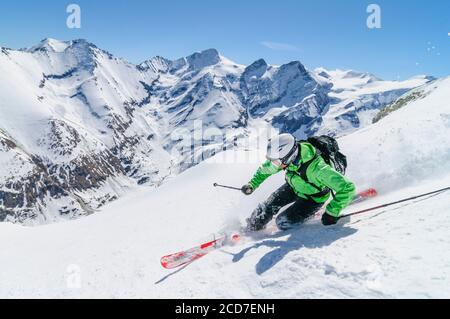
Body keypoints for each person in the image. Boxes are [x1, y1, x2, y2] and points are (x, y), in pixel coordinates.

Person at [242, 134, 356, 231]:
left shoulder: (318, 169)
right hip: (293, 186)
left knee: (282, 222)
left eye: (276, 162)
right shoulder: (285, 159)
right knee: (266, 208)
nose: (274, 164)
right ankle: (251, 227)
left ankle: (309, 214)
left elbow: (348, 188)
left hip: (313, 199)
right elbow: (266, 170)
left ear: (290, 157)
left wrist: (332, 212)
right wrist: (252, 184)